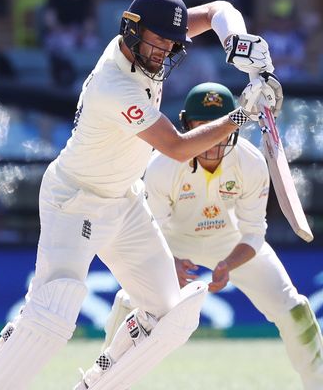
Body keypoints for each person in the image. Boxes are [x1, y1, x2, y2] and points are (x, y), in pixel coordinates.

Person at [0, 0, 284, 390]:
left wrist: (238, 43)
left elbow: (218, 10)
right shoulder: (114, 85)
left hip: (125, 202)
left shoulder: (151, 36)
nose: (165, 53)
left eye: (173, 45)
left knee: (169, 315)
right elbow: (176, 147)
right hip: (75, 201)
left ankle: (95, 383)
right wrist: (241, 114)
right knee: (52, 316)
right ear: (132, 31)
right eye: (159, 43)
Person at [102, 82, 323, 389]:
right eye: (200, 127)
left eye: (216, 127)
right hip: (170, 240)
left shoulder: (251, 162)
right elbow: (148, 229)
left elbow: (254, 234)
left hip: (230, 242)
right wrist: (171, 263)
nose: (211, 140)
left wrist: (228, 264)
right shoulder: (162, 165)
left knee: (294, 309)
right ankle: (103, 380)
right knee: (131, 302)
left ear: (232, 125)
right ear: (186, 125)